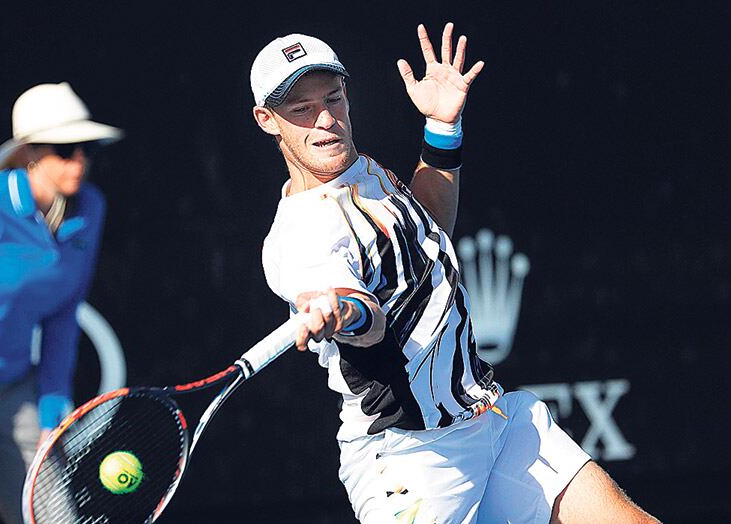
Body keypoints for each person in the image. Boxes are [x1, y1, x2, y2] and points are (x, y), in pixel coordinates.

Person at [250, 24, 659, 523]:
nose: (326, 119)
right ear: (268, 121)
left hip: (492, 421)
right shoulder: (300, 240)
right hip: (411, 461)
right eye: (301, 110)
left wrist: (442, 127)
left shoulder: (360, 173)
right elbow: (371, 321)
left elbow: (428, 228)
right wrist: (342, 309)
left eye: (333, 98)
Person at [0, 82, 122, 524]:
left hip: (14, 391)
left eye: (87, 149)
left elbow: (64, 317)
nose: (79, 161)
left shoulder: (91, 209)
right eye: (66, 150)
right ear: (31, 154)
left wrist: (50, 412)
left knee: (55, 517)